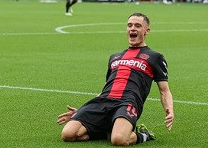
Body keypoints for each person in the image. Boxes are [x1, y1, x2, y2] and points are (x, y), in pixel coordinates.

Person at [57, 13, 174, 146]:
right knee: (68, 134)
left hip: (127, 102)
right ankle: (107, 130)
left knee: (119, 140)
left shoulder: (155, 57)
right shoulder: (115, 57)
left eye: (137, 26)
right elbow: (107, 87)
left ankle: (143, 135)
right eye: (129, 25)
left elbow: (164, 90)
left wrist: (169, 109)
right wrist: (82, 111)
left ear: (147, 31)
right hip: (104, 100)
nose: (132, 29)